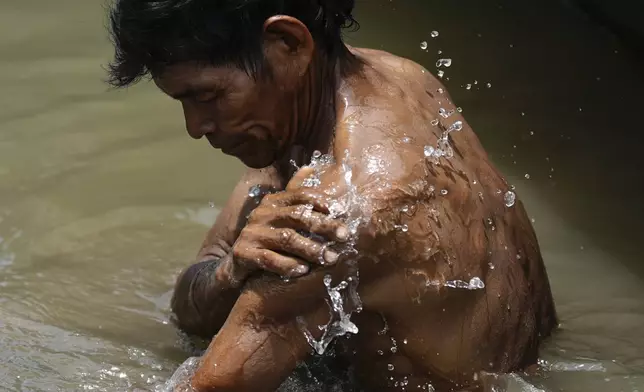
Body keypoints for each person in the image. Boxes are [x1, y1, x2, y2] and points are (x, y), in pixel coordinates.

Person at [106, 0, 558, 390]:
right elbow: (204, 281)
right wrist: (231, 271)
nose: (195, 127)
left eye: (207, 95)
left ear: (288, 44)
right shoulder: (395, 77)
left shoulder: (337, 212)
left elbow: (211, 383)